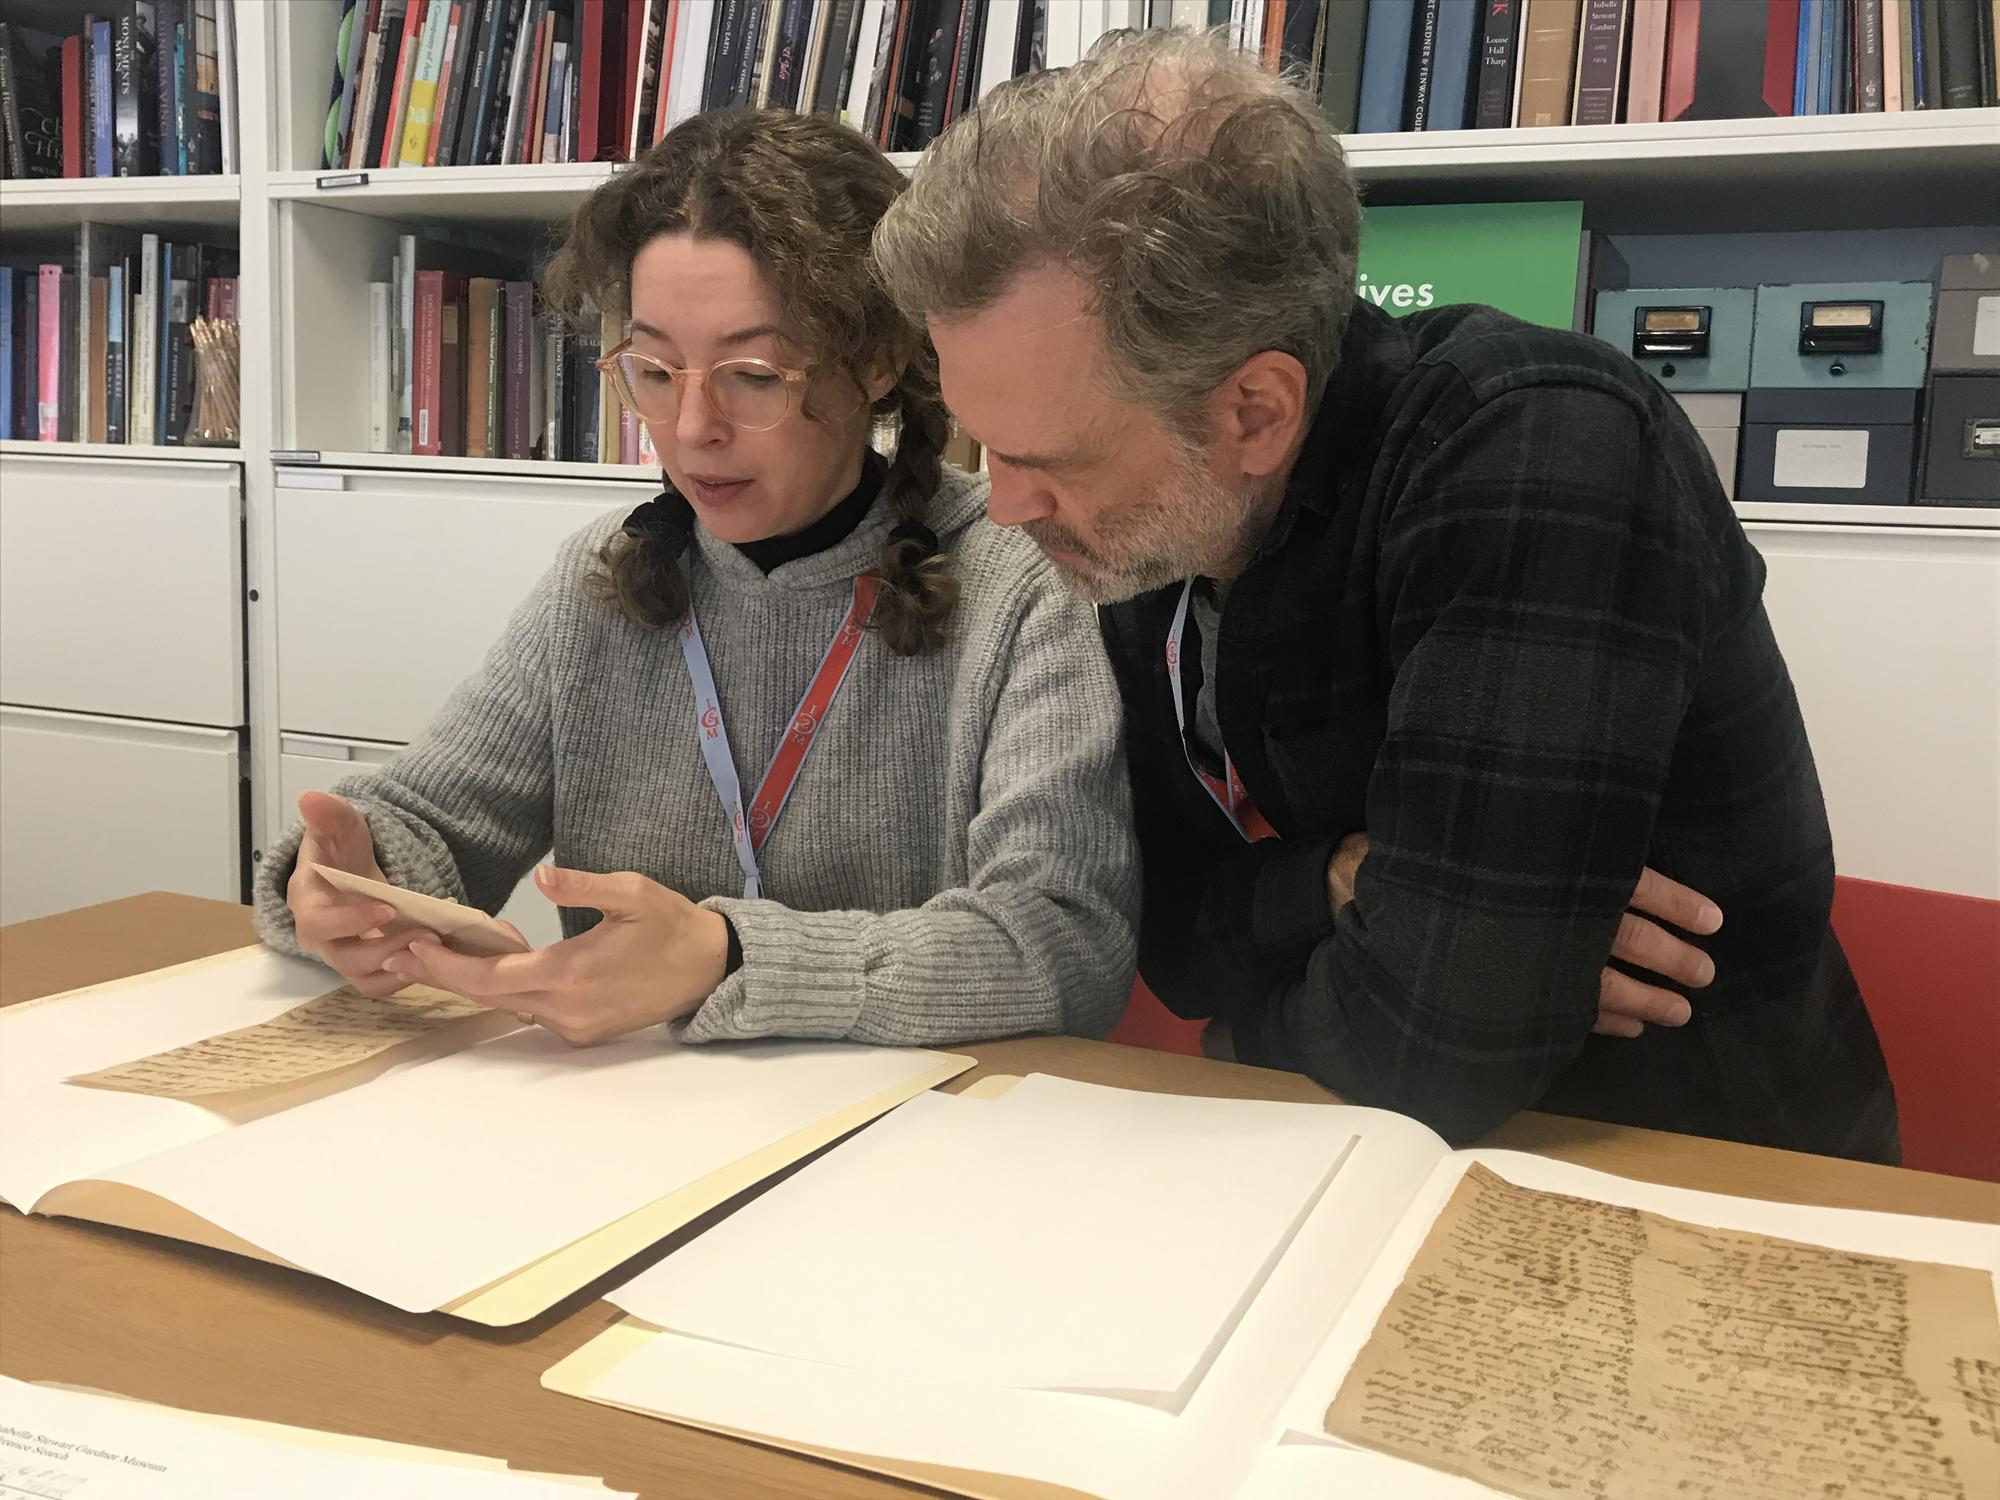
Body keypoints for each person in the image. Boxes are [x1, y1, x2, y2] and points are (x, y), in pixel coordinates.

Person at [873, 30, 1899, 1160]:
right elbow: (1166, 936)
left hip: (1688, 1175)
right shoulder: (1143, 520)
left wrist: (1266, 1021)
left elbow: (1437, 1044)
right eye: (985, 443)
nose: (1003, 505)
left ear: (1253, 412)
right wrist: (1350, 882)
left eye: (1048, 458)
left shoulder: (1538, 440)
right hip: (1342, 1161)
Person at [253, 110, 1139, 1049]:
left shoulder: (1019, 582)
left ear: (879, 358)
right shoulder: (605, 579)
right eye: (654, 369)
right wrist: (351, 882)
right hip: (631, 1137)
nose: (689, 429)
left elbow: (1065, 947)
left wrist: (730, 955)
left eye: (753, 374)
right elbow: (432, 824)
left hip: (914, 1150)